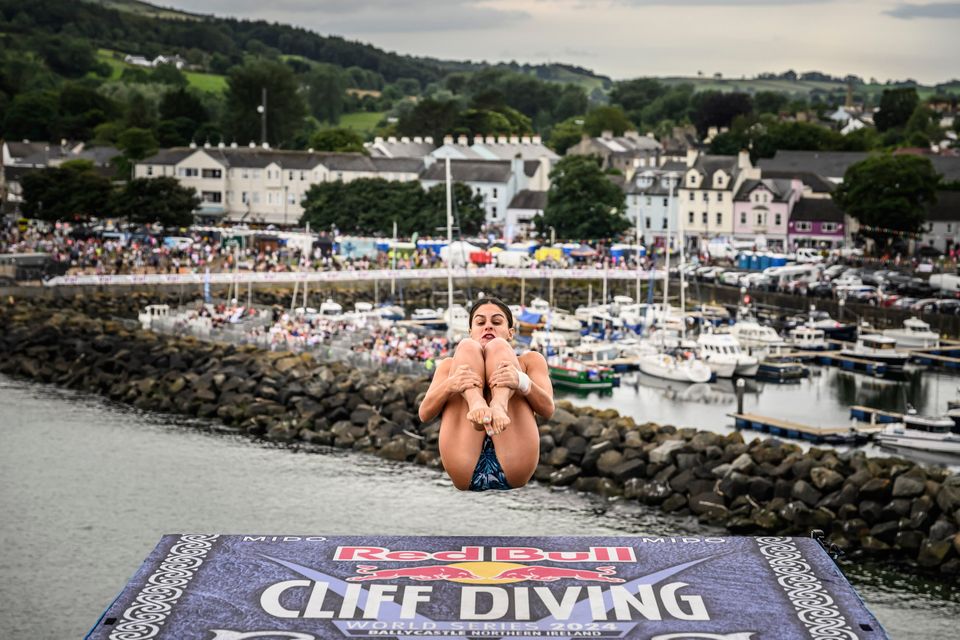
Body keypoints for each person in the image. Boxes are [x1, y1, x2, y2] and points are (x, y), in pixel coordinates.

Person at [417, 297, 554, 491]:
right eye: (480, 322)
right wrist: (451, 385)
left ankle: (499, 405)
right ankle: (476, 404)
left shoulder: (530, 361)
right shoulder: (449, 366)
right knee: (465, 347)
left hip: (516, 459)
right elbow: (424, 413)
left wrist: (521, 382)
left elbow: (548, 409)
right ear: (471, 331)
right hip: (463, 461)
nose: (488, 327)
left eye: (496, 322)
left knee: (498, 347)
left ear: (510, 332)